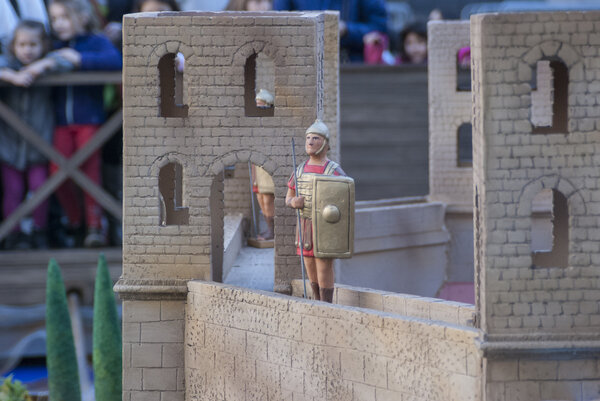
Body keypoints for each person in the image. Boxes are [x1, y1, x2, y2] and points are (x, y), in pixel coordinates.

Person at [42, 0, 122, 248]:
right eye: (54, 19)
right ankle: (75, 221)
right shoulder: (53, 46)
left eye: (64, 17)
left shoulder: (96, 42)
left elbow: (115, 62)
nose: (59, 24)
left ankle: (95, 227)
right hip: (61, 122)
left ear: (83, 17)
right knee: (58, 172)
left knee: (90, 172)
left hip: (90, 120)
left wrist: (78, 59)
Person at [0, 20, 74, 249]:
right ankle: (13, 233)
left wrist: (42, 65)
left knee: (40, 190)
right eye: (22, 44)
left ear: (43, 46)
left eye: (33, 44)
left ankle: (39, 232)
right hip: (9, 145)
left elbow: (67, 60)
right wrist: (10, 76)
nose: (27, 49)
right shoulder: (8, 63)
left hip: (40, 145)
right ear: (13, 46)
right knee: (12, 191)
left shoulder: (46, 63)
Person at [286, 120, 346, 303]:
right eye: (308, 138)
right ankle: (316, 299)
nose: (310, 142)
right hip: (304, 225)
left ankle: (326, 303)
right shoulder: (300, 170)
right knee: (309, 265)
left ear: (325, 144)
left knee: (323, 266)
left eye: (316, 138)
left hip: (325, 226)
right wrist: (293, 201)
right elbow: (288, 197)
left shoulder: (333, 171)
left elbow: (344, 198)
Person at [273, 0, 387, 62]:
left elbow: (380, 28)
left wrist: (347, 30)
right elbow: (278, 25)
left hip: (351, 64)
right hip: (302, 62)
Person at [251, 89, 275, 240]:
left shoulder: (271, 124)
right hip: (257, 167)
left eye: (261, 105)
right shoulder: (254, 124)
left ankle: (272, 231)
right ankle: (268, 228)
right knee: (260, 199)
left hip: (267, 168)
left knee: (268, 200)